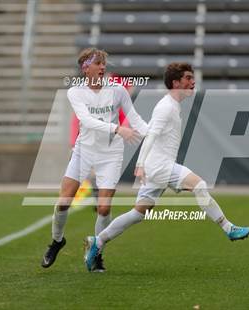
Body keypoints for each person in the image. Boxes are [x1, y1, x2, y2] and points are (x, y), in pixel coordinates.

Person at [84, 62, 249, 272]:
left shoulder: (171, 105)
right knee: (199, 185)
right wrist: (140, 165)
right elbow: (151, 136)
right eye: (188, 78)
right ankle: (229, 228)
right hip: (160, 166)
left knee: (138, 213)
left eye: (192, 78)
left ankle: (97, 242)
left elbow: (151, 133)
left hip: (156, 166)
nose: (193, 82)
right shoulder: (166, 107)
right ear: (176, 82)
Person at [41, 48, 148, 270]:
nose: (103, 67)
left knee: (103, 209)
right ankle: (57, 241)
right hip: (84, 151)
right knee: (63, 203)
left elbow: (136, 120)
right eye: (98, 63)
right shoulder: (75, 92)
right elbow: (86, 121)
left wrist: (155, 133)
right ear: (85, 68)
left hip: (111, 154)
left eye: (104, 63)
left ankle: (97, 251)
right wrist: (117, 128)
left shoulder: (117, 90)